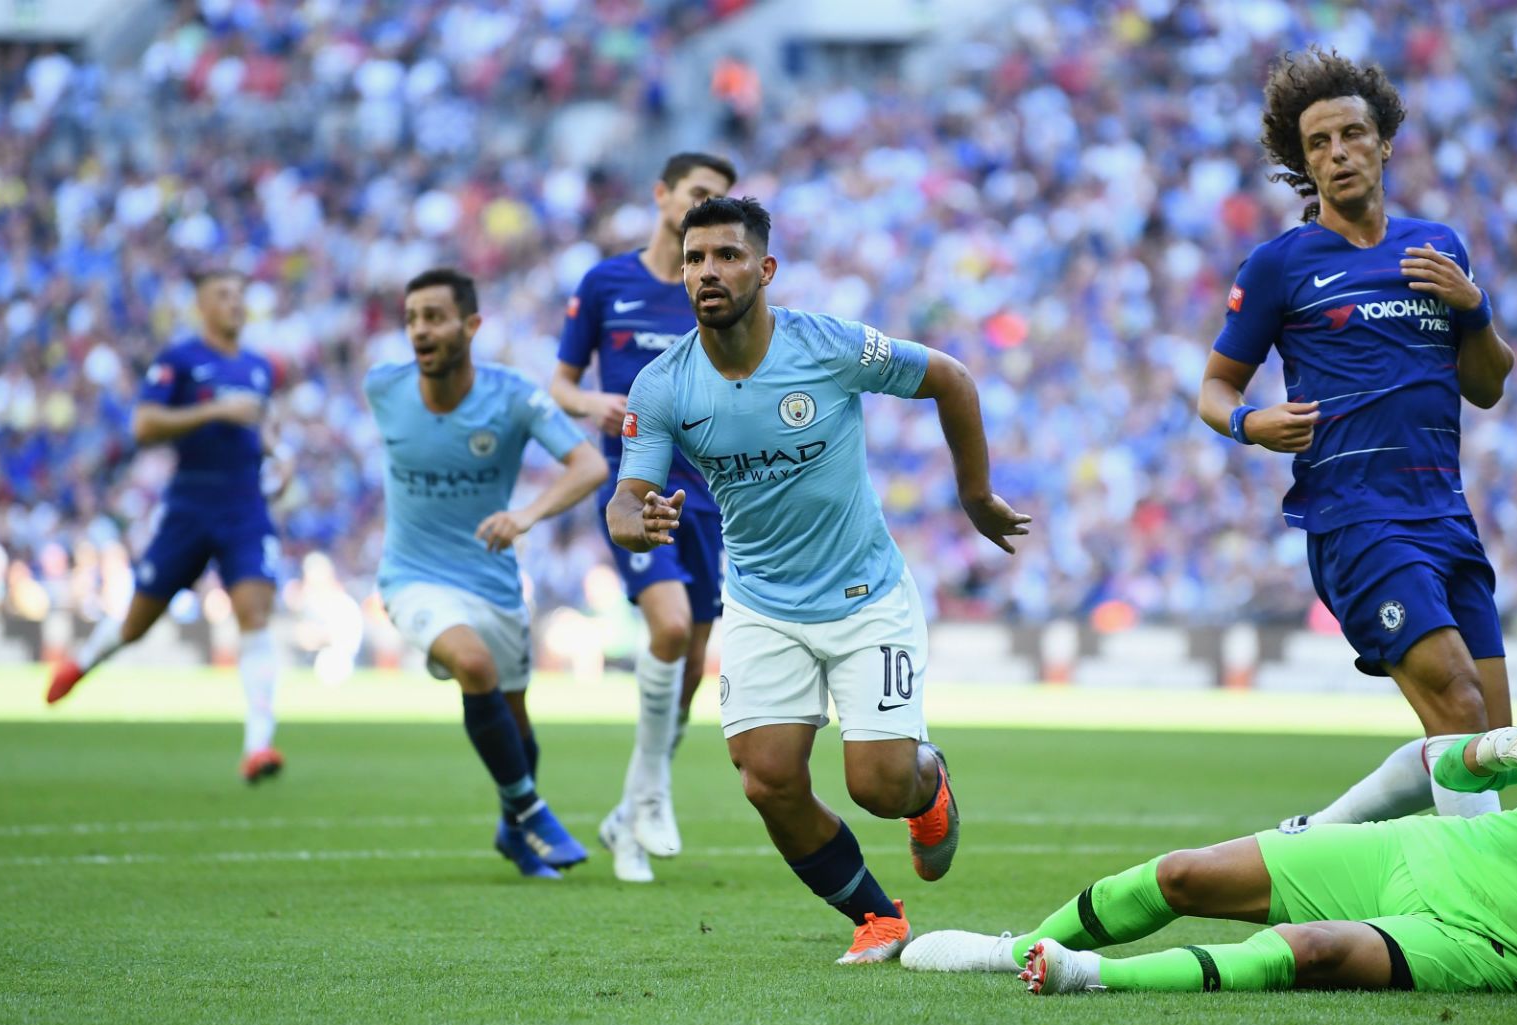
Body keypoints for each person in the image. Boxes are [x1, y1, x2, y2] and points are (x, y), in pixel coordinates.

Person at [902, 645, 1517, 1009]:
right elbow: (1445, 763)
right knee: (1186, 874)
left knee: (1309, 951)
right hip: (1428, 851)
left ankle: (1083, 976)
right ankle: (1016, 945)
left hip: (1484, 945)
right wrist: (1499, 750)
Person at [607, 196, 1030, 963]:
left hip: (865, 597)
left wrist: (973, 496)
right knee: (766, 780)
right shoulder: (663, 385)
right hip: (764, 605)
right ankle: (878, 917)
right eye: (694, 257)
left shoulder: (827, 347)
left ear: (764, 269)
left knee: (877, 785)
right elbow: (627, 498)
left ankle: (927, 783)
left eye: (727, 256)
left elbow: (953, 377)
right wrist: (634, 518)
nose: (708, 270)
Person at [1196, 46, 1517, 828]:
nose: (1337, 153)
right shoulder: (1281, 265)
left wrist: (1473, 307)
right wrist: (1248, 423)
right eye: (1318, 144)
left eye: (1351, 134)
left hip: (1444, 513)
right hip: (1355, 517)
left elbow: (1487, 386)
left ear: (1384, 142)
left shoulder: (1437, 245)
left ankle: (1315, 838)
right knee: (1459, 705)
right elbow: (1214, 387)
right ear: (1302, 162)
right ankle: (1491, 912)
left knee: (1493, 740)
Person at [366, 268, 609, 879]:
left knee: (519, 732)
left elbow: (588, 468)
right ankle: (531, 810)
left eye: (435, 317)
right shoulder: (384, 388)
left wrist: (525, 515)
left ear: (471, 326)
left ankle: (512, 829)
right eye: (412, 318)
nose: (421, 330)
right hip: (412, 576)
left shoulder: (513, 397)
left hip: (493, 581)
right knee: (472, 666)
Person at [550, 151, 737, 884]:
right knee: (663, 630)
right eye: (697, 195)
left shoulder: (715, 288)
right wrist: (592, 403)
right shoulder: (606, 283)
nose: (705, 208)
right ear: (662, 195)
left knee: (690, 667)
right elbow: (561, 383)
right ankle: (650, 803)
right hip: (637, 493)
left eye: (720, 201)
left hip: (711, 497)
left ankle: (630, 813)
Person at [47, 270, 292, 784]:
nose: (234, 305)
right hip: (191, 505)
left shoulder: (256, 366)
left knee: (254, 613)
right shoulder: (179, 360)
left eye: (239, 297)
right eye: (223, 296)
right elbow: (144, 425)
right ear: (201, 308)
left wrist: (278, 453)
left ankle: (258, 746)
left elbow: (259, 423)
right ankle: (84, 660)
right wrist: (214, 411)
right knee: (138, 622)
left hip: (246, 505)